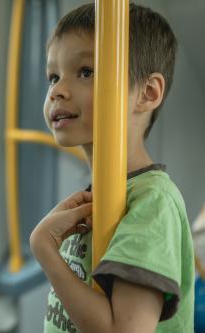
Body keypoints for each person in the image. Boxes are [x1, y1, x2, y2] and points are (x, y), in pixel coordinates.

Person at [29, 3, 194, 332]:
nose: (57, 91)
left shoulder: (152, 201)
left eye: (86, 72)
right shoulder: (99, 193)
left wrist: (44, 249)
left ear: (146, 93)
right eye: (53, 76)